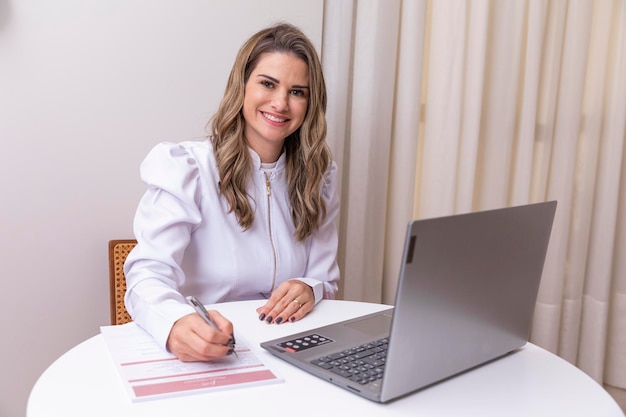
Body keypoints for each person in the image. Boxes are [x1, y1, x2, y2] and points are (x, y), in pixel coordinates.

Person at [124, 23, 340, 362]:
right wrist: (175, 323)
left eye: (298, 92)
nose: (281, 103)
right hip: (211, 353)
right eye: (268, 84)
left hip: (290, 352)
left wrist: (309, 288)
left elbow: (323, 279)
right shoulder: (188, 168)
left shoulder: (320, 177)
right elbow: (146, 274)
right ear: (241, 87)